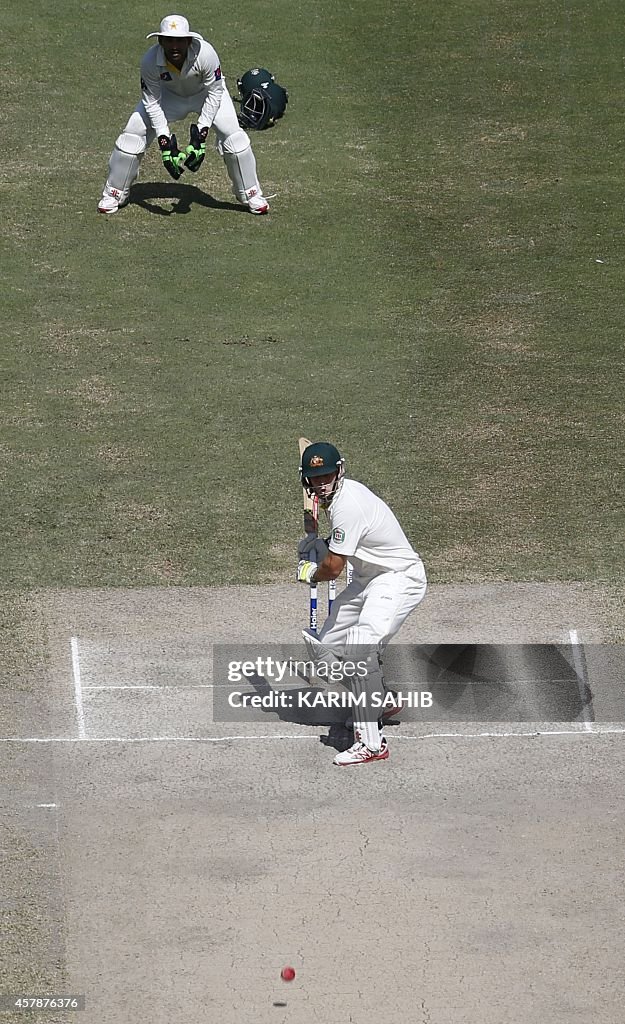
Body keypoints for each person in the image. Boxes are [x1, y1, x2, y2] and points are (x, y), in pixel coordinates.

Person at [297, 442, 427, 766]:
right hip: (368, 579)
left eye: (327, 475)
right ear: (306, 480)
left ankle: (371, 743)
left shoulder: (347, 503)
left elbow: (334, 568)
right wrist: (321, 544)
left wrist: (311, 569)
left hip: (398, 579)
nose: (322, 483)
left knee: (358, 649)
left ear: (339, 471)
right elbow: (349, 542)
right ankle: (379, 700)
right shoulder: (335, 502)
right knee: (324, 649)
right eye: (316, 478)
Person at [98, 14, 269, 215]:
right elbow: (152, 102)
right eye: (169, 40)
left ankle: (250, 193)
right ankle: (115, 192)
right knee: (132, 135)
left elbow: (215, 92)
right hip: (169, 97)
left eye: (179, 41)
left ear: (189, 41)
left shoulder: (206, 54)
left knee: (235, 139)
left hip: (206, 94)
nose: (174, 46)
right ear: (160, 41)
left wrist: (201, 133)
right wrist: (164, 140)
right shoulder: (150, 61)